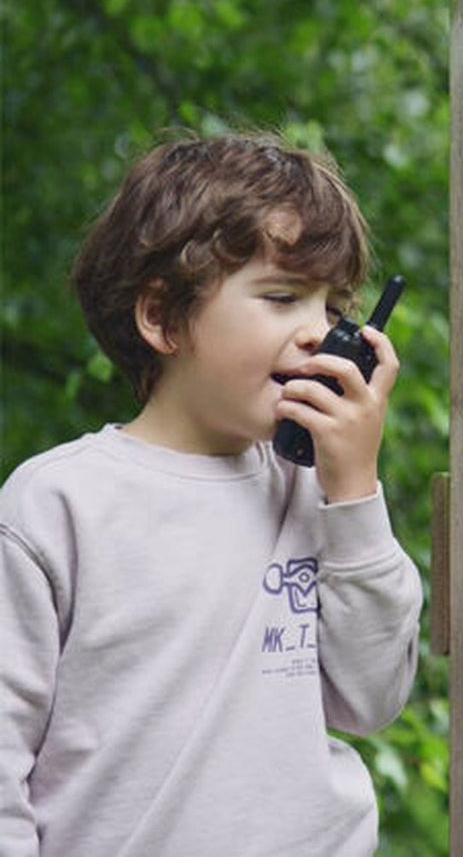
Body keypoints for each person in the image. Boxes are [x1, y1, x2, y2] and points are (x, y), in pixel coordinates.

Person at [0, 133, 423, 856]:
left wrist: (353, 493)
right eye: (283, 297)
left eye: (332, 306)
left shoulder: (316, 491)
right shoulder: (59, 506)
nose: (319, 334)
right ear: (162, 317)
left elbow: (372, 699)